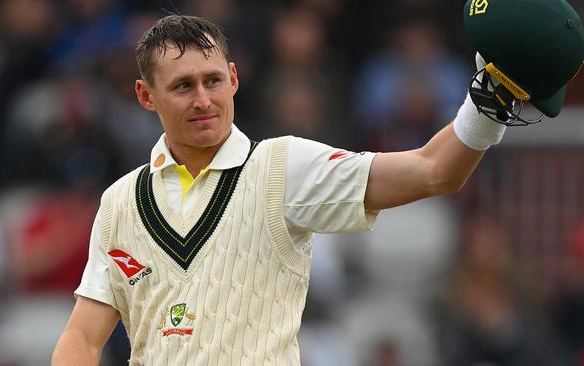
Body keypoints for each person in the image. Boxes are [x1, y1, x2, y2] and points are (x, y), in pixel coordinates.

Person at [52, 9, 583, 365]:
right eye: (183, 86)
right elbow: (82, 335)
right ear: (146, 96)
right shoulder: (121, 200)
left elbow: (432, 171)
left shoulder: (283, 166)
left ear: (234, 78)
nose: (203, 99)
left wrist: (490, 99)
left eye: (213, 81)